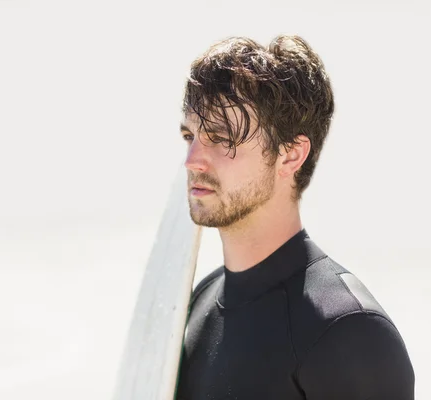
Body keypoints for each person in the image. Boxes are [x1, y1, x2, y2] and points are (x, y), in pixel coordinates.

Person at [176, 35, 415, 400]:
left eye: (220, 137)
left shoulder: (348, 333)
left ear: (290, 155)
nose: (192, 160)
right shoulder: (199, 302)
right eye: (189, 135)